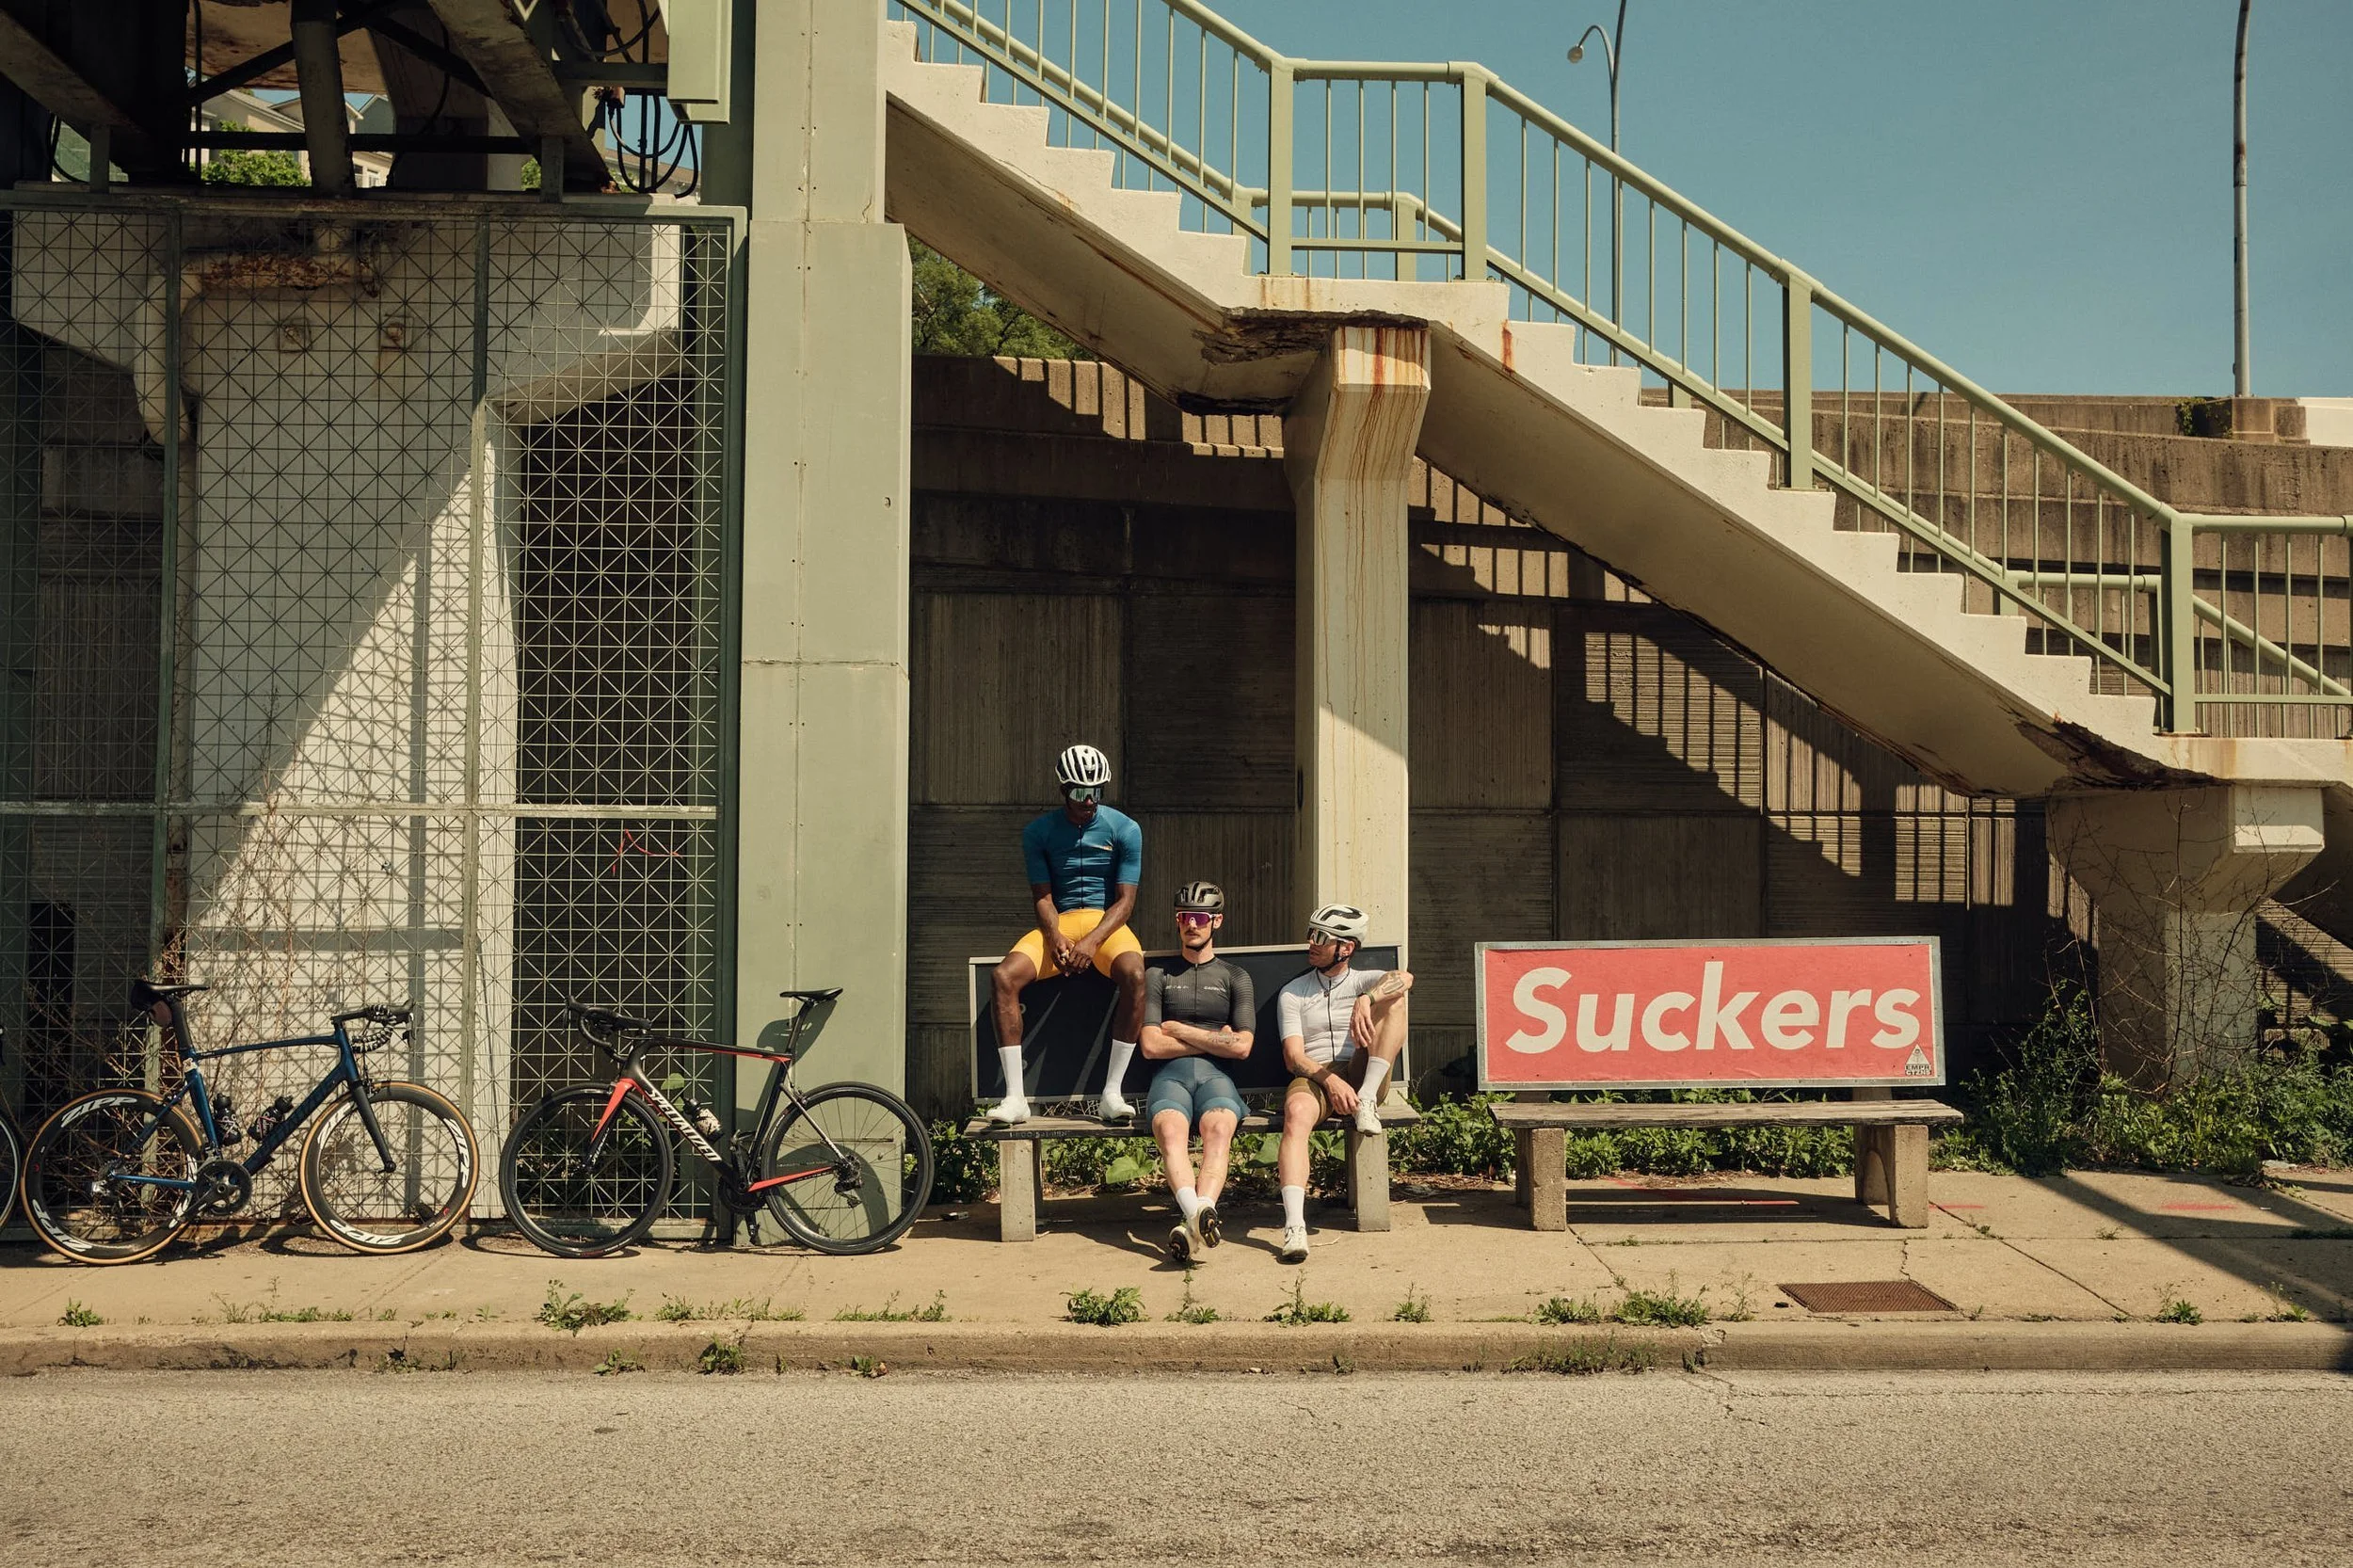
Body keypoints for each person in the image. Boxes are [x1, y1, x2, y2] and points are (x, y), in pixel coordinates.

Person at [987, 744, 1147, 1126]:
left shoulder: (1125, 828)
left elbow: (1125, 902)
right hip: (1058, 921)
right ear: (1063, 789)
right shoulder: (1038, 832)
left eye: (1096, 791)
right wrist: (1055, 935)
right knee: (1002, 977)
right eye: (1079, 792)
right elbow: (1041, 895)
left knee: (1136, 976)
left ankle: (1112, 1093)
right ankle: (1015, 1098)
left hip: (1106, 924)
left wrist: (1092, 942)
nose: (1089, 800)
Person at [1273, 903, 1412, 1264]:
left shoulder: (1365, 981)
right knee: (1296, 1111)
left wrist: (1368, 999)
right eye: (1311, 935)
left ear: (1346, 948)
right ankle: (1294, 1225)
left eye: (1320, 937)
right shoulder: (1293, 993)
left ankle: (1366, 1099)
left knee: (1396, 1001)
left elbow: (1406, 978)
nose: (1311, 943)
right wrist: (1330, 1080)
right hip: (1317, 1074)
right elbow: (1294, 1058)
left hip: (1364, 1069)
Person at [1138, 881, 1255, 1265]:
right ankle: (1198, 1213)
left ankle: (1193, 1222)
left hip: (1215, 1078)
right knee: (1170, 1133)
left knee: (1219, 1131)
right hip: (1168, 1077)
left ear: (1216, 921)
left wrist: (1181, 1030)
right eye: (1185, 917)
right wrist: (1213, 1039)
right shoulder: (1158, 975)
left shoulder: (1236, 977)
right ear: (1178, 921)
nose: (1192, 924)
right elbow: (1152, 1046)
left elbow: (1242, 1046)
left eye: (1200, 917)